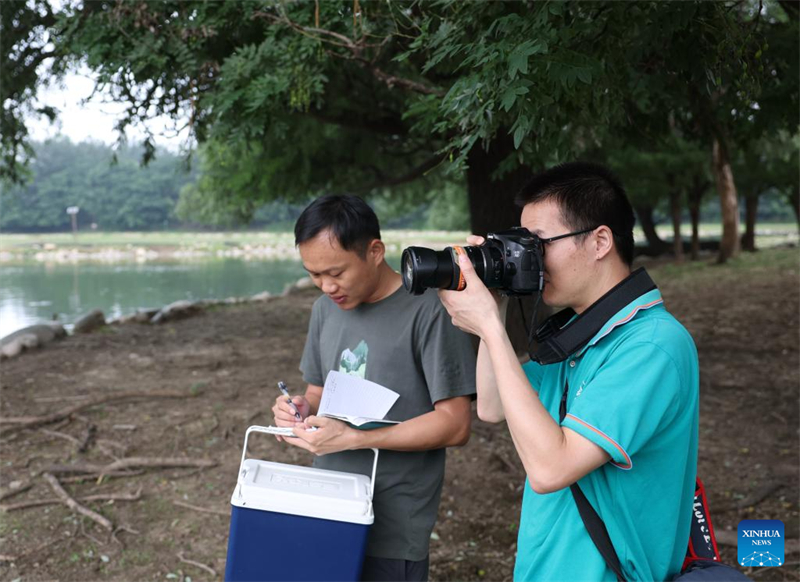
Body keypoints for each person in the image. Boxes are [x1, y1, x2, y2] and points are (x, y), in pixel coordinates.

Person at [438, 162, 699, 581]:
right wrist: (497, 301)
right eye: (523, 246)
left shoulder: (652, 346)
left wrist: (488, 325)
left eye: (539, 244)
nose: (531, 260)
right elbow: (491, 405)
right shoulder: (581, 337)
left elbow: (550, 469)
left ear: (599, 242)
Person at [272, 194, 476, 582]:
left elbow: (455, 424)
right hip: (328, 503)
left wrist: (357, 439)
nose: (326, 286)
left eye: (336, 272)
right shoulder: (324, 310)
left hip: (393, 523)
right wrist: (298, 408)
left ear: (375, 251)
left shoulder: (430, 310)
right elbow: (317, 392)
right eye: (314, 275)